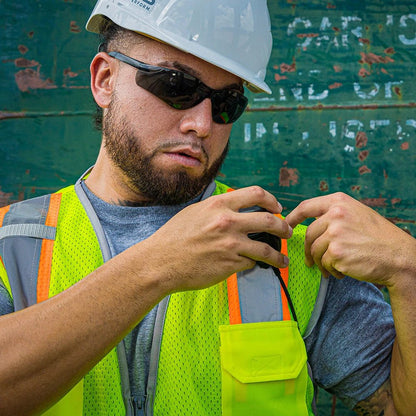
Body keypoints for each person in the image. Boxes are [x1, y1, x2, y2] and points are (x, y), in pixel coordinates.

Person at [0, 1, 414, 415]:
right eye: (177, 86)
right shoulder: (12, 246)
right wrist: (156, 266)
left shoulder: (284, 251)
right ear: (105, 79)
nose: (202, 124)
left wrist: (409, 272)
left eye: (226, 103)